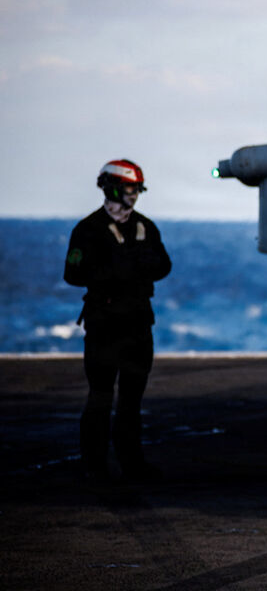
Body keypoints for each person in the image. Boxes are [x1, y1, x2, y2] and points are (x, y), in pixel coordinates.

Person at [64, 159, 172, 482]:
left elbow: (164, 265)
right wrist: (115, 273)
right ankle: (94, 466)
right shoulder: (87, 230)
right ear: (113, 188)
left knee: (131, 399)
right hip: (104, 326)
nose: (134, 195)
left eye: (137, 189)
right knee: (100, 396)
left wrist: (138, 266)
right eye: (129, 188)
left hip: (138, 325)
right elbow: (72, 273)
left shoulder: (145, 227)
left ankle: (132, 463)